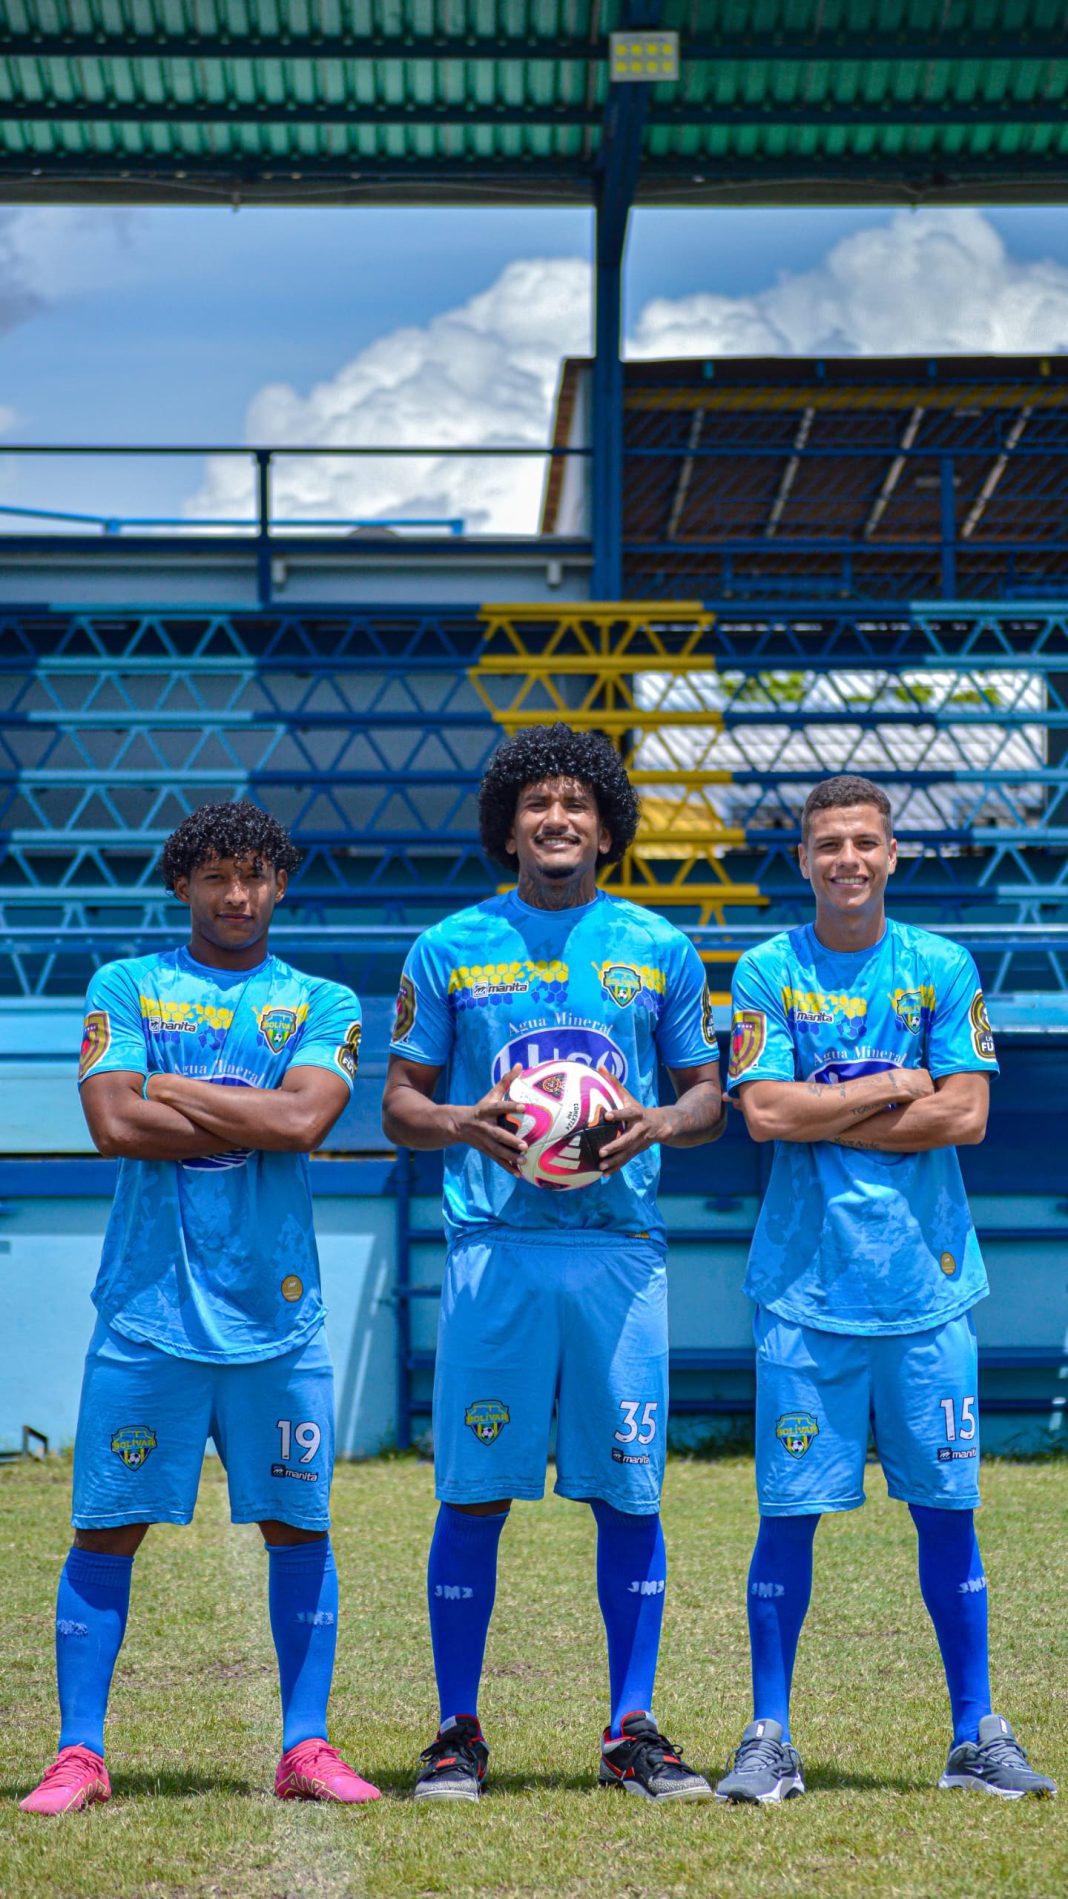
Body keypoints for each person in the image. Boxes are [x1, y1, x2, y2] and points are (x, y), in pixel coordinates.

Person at [382, 722, 725, 1803]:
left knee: (629, 1492)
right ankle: (457, 1732)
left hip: (618, 1253)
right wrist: (461, 1120)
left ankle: (632, 1728)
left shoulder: (660, 948)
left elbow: (708, 1099)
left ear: (607, 826)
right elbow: (399, 1104)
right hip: (497, 1251)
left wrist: (659, 1120)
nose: (557, 818)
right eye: (536, 803)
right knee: (474, 1492)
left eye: (577, 802)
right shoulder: (449, 947)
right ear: (508, 827)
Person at [21, 802, 379, 1814]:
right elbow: (111, 1122)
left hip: (278, 1319)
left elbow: (305, 1120)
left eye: (255, 875)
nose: (236, 894)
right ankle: (79, 1753)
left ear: (280, 885)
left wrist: (171, 1086)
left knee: (298, 1527)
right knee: (106, 1529)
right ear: (183, 883)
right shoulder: (126, 985)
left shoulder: (319, 1000)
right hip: (147, 1314)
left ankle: (306, 1745)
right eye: (216, 875)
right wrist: (253, 1115)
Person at [715, 773, 1056, 1805]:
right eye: (829, 844)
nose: (848, 860)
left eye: (865, 841)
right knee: (788, 1516)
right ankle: (769, 1736)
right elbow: (765, 1115)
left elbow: (967, 1117)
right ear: (803, 858)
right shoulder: (768, 970)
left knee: (948, 1513)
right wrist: (894, 1083)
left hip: (927, 1292)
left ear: (893, 854)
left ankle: (975, 1733)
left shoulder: (940, 966)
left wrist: (830, 1108)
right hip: (805, 1291)